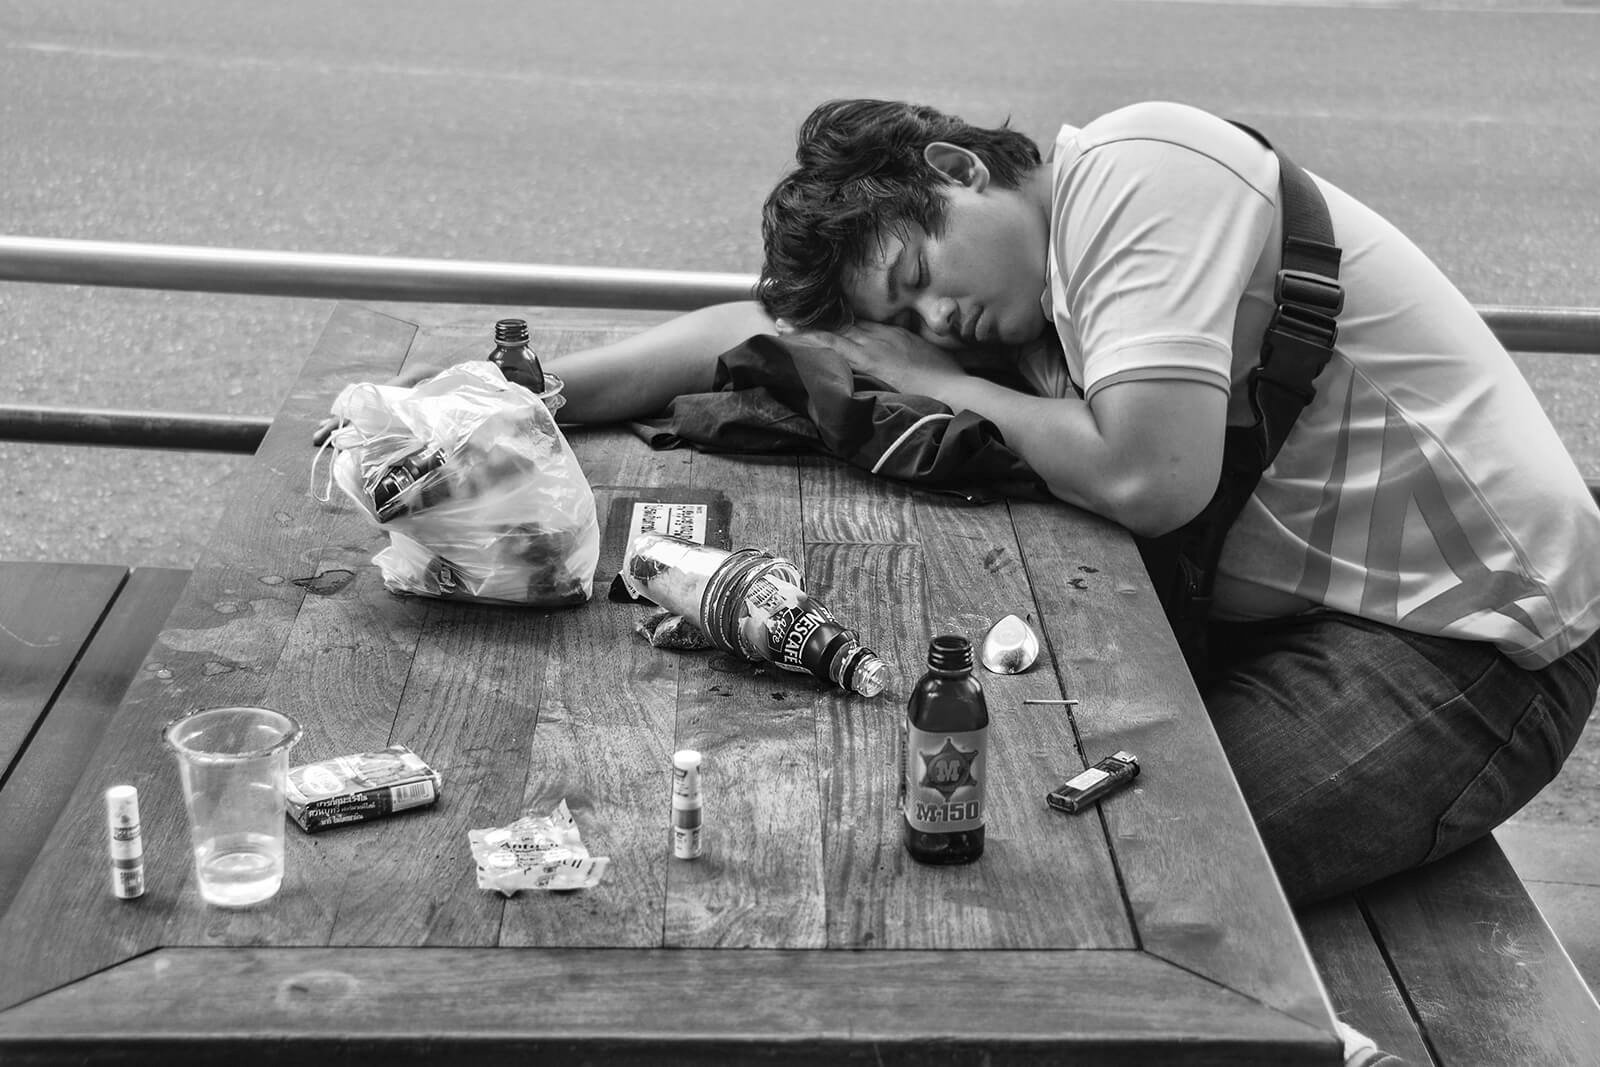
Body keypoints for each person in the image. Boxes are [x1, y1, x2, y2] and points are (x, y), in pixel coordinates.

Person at [330, 98, 1600, 913]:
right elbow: (758, 330)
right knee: (968, 792)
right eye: (910, 316)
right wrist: (526, 398)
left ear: (954, 169)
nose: (932, 320)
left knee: (1102, 871)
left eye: (919, 277)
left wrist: (932, 375)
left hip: (1468, 656)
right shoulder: (1040, 294)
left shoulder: (1135, 181)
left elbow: (1151, 483)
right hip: (1300, 622)